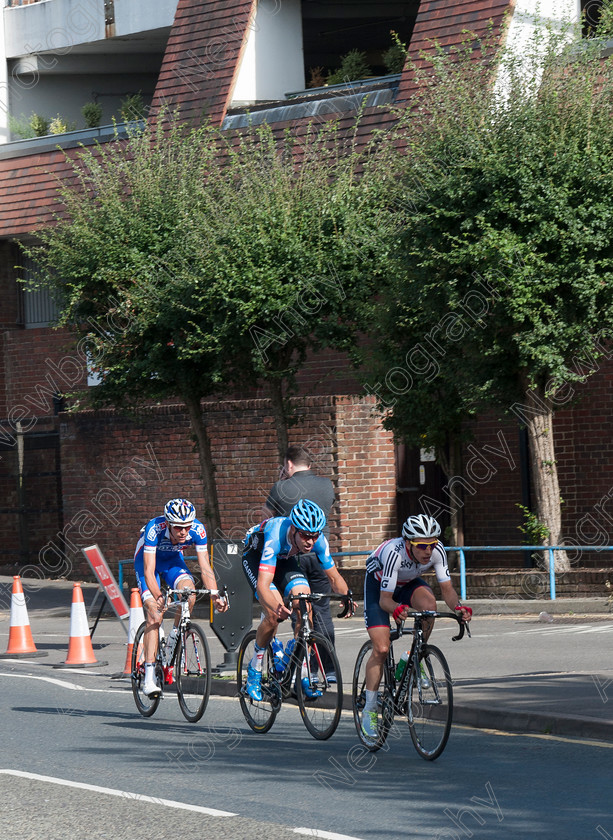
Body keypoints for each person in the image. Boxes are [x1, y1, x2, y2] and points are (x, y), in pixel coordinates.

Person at [360, 513, 472, 738]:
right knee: (381, 649)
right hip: (379, 588)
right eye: (422, 546)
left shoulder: (437, 550)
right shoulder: (394, 553)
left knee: (429, 606)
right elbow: (385, 600)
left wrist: (458, 608)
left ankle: (411, 656)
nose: (428, 551)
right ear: (409, 543)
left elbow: (447, 590)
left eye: (431, 545)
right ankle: (370, 707)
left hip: (407, 583)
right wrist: (397, 609)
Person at [241, 498, 355, 701]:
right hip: (256, 558)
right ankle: (254, 670)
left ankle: (302, 675)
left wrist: (347, 596)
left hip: (285, 560)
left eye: (314, 535)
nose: (310, 541)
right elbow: (263, 584)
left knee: (305, 605)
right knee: (273, 616)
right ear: (293, 529)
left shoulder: (317, 540)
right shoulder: (276, 534)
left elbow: (334, 576)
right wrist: (276, 606)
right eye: (305, 535)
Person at [133, 498, 227, 697]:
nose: (184, 531)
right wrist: (158, 596)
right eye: (178, 528)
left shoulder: (198, 530)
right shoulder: (154, 529)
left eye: (187, 527)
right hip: (147, 564)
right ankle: (149, 676)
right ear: (168, 524)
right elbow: (149, 571)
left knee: (190, 593)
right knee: (155, 614)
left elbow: (205, 567)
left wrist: (214, 595)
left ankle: (173, 640)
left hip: (173, 562)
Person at [265, 445, 336, 672]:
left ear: (288, 465)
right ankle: (325, 669)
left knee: (297, 610)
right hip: (318, 551)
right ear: (310, 464)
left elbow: (267, 519)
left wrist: (280, 484)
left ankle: (298, 666)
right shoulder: (326, 485)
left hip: (289, 555)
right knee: (321, 609)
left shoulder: (281, 487)